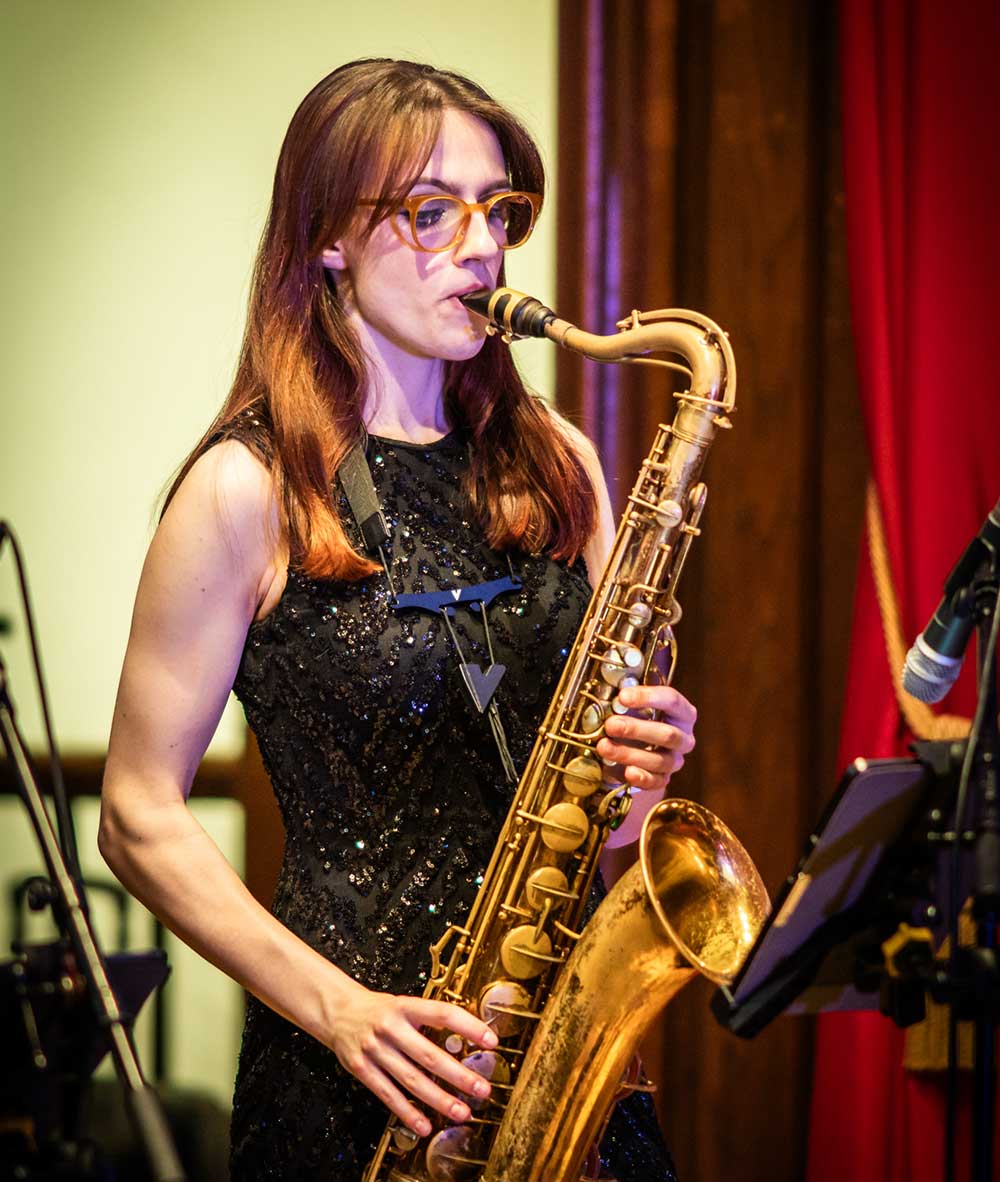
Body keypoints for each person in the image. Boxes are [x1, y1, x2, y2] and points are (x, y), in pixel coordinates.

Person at [98, 58, 696, 1180]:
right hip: (351, 1068)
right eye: (431, 211)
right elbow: (133, 814)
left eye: (498, 209)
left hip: (558, 1060)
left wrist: (644, 770)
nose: (480, 246)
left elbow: (606, 827)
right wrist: (342, 1011)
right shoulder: (243, 490)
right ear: (328, 236)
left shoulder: (558, 460)